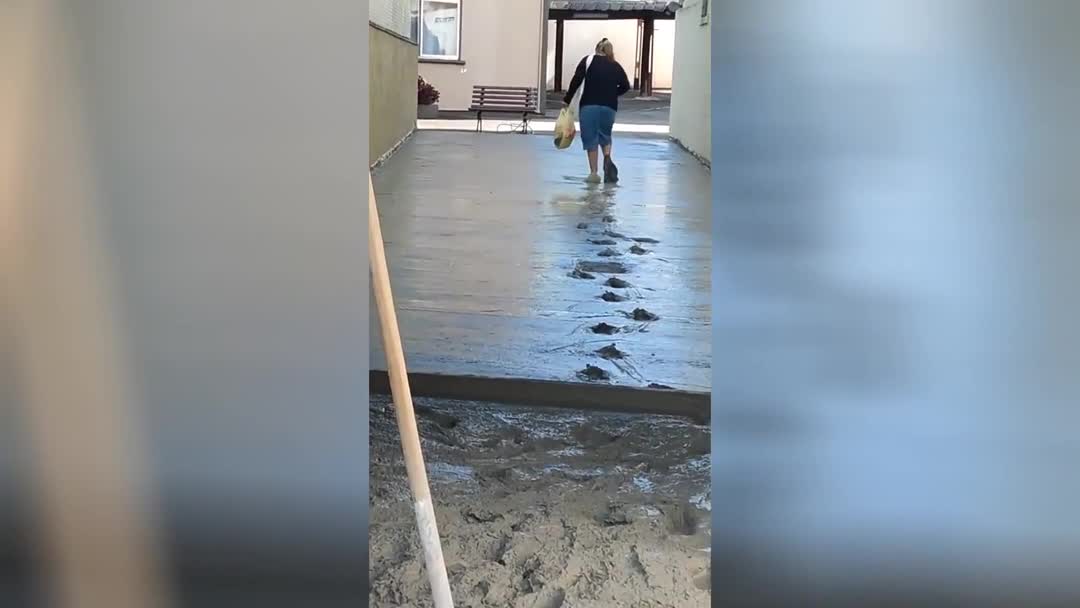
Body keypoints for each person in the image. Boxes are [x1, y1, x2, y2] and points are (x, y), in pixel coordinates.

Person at [563, 38, 631, 184]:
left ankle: (594, 173)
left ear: (597, 49)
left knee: (591, 139)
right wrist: (613, 93)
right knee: (605, 135)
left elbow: (576, 80)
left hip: (589, 105)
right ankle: (607, 158)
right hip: (609, 107)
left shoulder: (588, 60)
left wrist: (568, 99)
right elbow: (626, 85)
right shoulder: (615, 65)